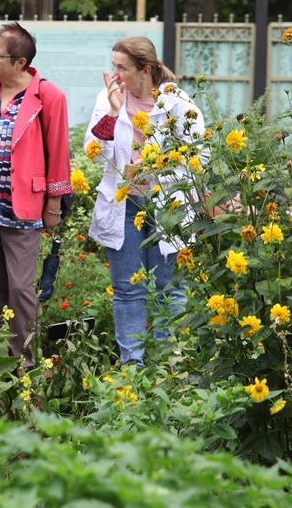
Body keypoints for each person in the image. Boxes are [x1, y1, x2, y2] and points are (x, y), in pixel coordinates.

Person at [83, 35, 205, 365]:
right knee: (127, 290)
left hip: (168, 205)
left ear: (145, 70)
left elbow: (200, 155)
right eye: (113, 65)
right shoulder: (108, 99)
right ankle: (132, 369)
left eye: (121, 67)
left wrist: (158, 167)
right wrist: (112, 111)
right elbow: (92, 152)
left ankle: (170, 364)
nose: (114, 74)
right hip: (124, 204)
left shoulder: (178, 104)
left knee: (170, 288)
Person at [0, 22, 73, 367]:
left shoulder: (48, 96)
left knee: (20, 289)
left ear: (21, 62)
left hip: (21, 208)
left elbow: (58, 152)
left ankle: (25, 364)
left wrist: (53, 205)